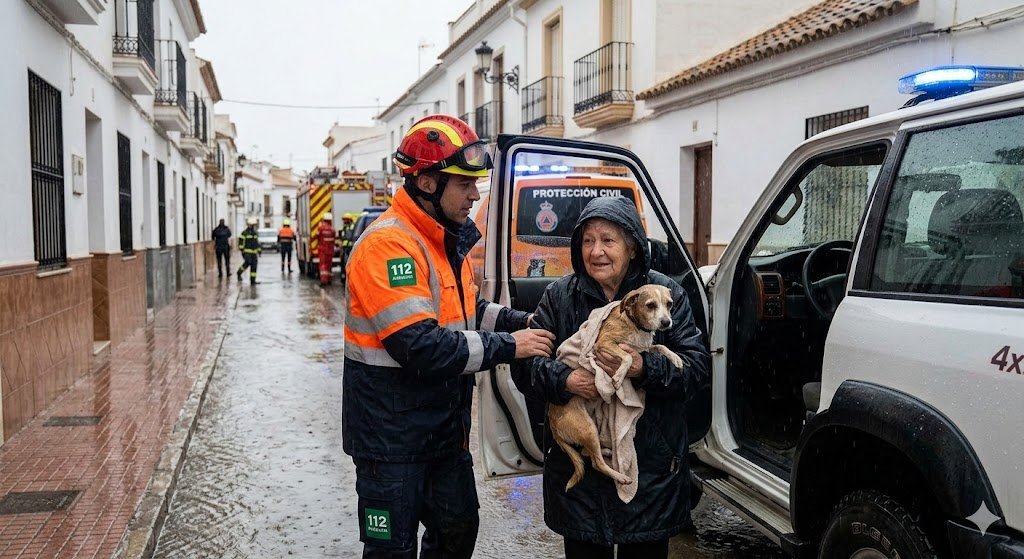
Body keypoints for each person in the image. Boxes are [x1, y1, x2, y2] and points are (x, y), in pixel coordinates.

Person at [342, 114, 557, 559]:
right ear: (425, 183)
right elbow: (418, 343)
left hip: (442, 432)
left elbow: (464, 312)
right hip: (390, 440)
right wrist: (511, 347)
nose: (475, 195)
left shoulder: (445, 241)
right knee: (391, 550)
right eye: (464, 184)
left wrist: (521, 321)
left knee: (457, 530)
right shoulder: (388, 246)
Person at [512, 196, 711, 559]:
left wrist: (643, 368)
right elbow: (525, 367)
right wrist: (566, 381)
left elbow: (696, 370)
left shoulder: (666, 296)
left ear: (633, 247)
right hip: (584, 478)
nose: (596, 251)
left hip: (650, 471)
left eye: (608, 240)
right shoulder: (559, 296)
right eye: (588, 241)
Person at [236, 217, 261, 285]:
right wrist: (242, 250)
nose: (254, 226)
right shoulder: (244, 233)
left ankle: (253, 281)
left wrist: (259, 250)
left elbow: (257, 243)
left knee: (254, 266)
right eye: (253, 225)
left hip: (254, 253)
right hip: (247, 252)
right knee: (247, 263)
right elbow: (241, 242)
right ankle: (239, 273)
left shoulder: (255, 233)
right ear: (249, 225)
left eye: (254, 225)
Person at [314, 212, 336, 286]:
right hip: (330, 250)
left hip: (323, 250)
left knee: (323, 265)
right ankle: (329, 279)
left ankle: (324, 280)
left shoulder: (321, 228)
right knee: (329, 265)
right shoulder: (332, 229)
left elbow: (316, 236)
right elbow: (334, 239)